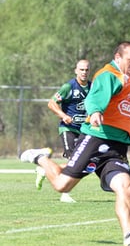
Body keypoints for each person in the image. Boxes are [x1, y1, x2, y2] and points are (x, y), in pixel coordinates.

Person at [20, 41, 130, 246]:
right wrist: (95, 111)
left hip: (117, 147)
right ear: (118, 57)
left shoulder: (128, 79)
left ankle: (129, 235)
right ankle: (39, 157)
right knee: (62, 185)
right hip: (96, 139)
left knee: (126, 188)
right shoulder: (109, 75)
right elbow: (95, 97)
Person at [35, 59, 92, 203]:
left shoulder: (92, 87)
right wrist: (63, 116)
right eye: (81, 70)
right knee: (73, 159)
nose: (84, 72)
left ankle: (45, 169)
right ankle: (65, 193)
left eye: (86, 70)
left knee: (86, 163)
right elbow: (51, 103)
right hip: (68, 129)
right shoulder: (69, 87)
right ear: (76, 70)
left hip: (84, 130)